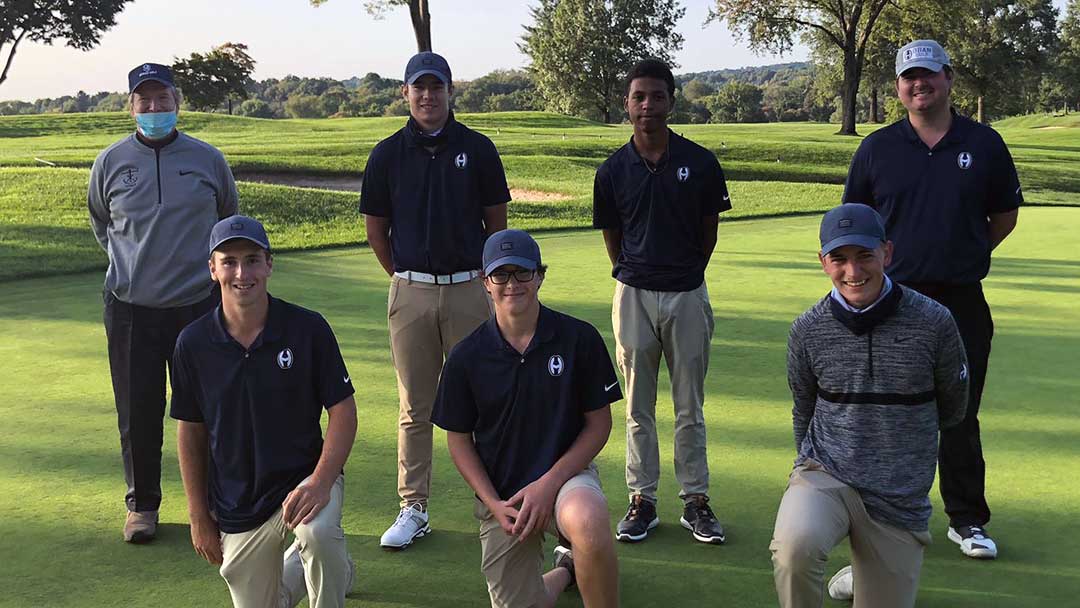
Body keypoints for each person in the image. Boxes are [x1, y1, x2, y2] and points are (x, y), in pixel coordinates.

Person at [843, 39, 1021, 559]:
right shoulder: (877, 148)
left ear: (948, 78)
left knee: (959, 413)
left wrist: (962, 253)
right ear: (898, 87)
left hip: (961, 302)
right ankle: (881, 521)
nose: (918, 84)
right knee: (885, 413)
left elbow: (1003, 216)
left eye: (928, 74)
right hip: (890, 303)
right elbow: (854, 223)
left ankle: (966, 520)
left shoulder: (983, 143)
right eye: (908, 77)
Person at [770, 203, 968, 608]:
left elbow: (954, 407)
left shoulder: (934, 323)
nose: (853, 272)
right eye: (839, 259)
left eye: (865, 256)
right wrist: (810, 463)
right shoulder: (807, 329)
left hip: (898, 495)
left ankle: (858, 579)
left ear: (887, 253)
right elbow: (803, 408)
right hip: (825, 472)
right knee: (794, 549)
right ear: (823, 262)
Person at [359, 51, 511, 549]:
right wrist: (407, 279)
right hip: (411, 289)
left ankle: (494, 503)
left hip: (470, 288)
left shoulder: (478, 148)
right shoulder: (386, 154)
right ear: (405, 93)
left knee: (485, 399)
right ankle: (413, 507)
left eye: (436, 87)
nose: (428, 96)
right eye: (418, 87)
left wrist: (482, 282)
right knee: (415, 405)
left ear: (450, 91)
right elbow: (376, 230)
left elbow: (497, 224)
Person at [171, 215, 357, 608]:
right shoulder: (192, 344)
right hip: (238, 498)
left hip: (304, 479)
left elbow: (343, 410)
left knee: (318, 536)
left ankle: (329, 569)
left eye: (253, 259)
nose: (243, 272)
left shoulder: (307, 329)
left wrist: (322, 481)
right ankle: (330, 569)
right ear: (213, 268)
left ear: (269, 264)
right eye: (230, 261)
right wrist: (198, 515)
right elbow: (191, 430)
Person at [88, 62, 239, 543]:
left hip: (198, 306)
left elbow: (227, 222)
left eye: (162, 99)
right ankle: (142, 507)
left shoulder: (207, 159)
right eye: (144, 100)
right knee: (138, 410)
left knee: (208, 407)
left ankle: (221, 504)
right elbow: (102, 225)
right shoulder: (110, 162)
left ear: (177, 102)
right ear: (131, 105)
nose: (154, 108)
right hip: (131, 307)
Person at [431, 229, 621, 608]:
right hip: (504, 497)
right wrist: (492, 502)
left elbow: (599, 424)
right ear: (485, 282)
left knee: (590, 522)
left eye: (522, 273)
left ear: (540, 275)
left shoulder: (579, 338)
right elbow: (458, 439)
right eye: (500, 275)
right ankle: (568, 569)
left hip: (565, 478)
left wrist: (548, 484)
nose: (512, 284)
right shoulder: (466, 357)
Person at [592, 58, 729, 544]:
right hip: (632, 294)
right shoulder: (612, 171)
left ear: (672, 101)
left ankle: (695, 499)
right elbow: (613, 237)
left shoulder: (701, 162)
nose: (647, 105)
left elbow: (708, 234)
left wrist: (684, 273)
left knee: (690, 404)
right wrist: (635, 273)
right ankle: (642, 499)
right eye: (638, 97)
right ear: (627, 105)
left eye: (656, 96)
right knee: (637, 407)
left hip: (687, 293)